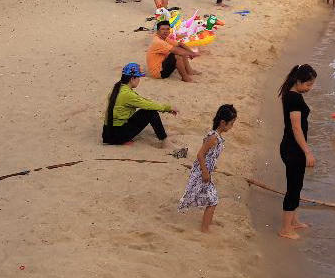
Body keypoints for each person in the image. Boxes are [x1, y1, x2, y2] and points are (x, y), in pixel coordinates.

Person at [178, 104, 237, 232]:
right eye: (231, 124)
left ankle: (206, 225)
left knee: (211, 199)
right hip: (201, 172)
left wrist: (212, 166)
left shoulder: (217, 137)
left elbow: (210, 155)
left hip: (205, 170)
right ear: (223, 122)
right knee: (213, 200)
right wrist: (205, 171)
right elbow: (200, 154)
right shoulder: (213, 138)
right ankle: (205, 229)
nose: (232, 126)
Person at [278, 64, 317, 239]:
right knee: (293, 188)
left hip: (292, 147)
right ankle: (286, 229)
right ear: (298, 81)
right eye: (308, 84)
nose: (310, 88)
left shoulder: (291, 94)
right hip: (292, 149)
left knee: (297, 185)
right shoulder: (294, 99)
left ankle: (294, 221)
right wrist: (307, 152)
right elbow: (296, 128)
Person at [101, 63, 177, 146]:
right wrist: (168, 108)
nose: (139, 80)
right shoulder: (127, 94)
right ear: (132, 79)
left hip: (107, 133)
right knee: (151, 112)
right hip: (117, 136)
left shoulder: (117, 88)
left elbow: (142, 101)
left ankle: (122, 139)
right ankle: (164, 139)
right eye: (138, 77)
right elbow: (148, 105)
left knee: (146, 111)